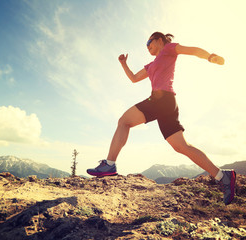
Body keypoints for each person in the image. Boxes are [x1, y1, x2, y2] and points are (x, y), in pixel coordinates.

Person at [87, 32, 236, 205]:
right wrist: (123, 64)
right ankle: (222, 176)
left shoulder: (169, 49)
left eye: (149, 42)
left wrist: (210, 57)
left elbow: (193, 50)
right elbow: (134, 78)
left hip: (162, 99)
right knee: (181, 146)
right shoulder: (152, 64)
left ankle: (109, 164)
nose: (147, 45)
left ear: (159, 40)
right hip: (166, 103)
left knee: (124, 121)